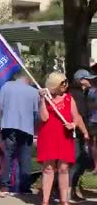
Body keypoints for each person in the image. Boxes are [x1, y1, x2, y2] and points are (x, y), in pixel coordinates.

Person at [37, 72, 88, 205]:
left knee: (64, 168)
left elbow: (76, 117)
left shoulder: (69, 98)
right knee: (48, 168)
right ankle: (45, 200)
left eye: (65, 82)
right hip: (48, 136)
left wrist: (73, 124)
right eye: (62, 83)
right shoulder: (45, 98)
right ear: (54, 85)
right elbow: (44, 118)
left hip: (64, 135)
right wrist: (42, 100)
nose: (65, 85)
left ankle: (63, 200)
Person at [0, 72, 40, 194]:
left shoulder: (5, 86)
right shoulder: (34, 92)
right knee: (25, 158)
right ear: (28, 80)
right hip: (26, 128)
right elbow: (36, 113)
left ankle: (4, 186)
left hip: (8, 125)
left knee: (7, 156)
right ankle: (25, 187)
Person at [67, 69, 93, 202]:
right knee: (77, 162)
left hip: (76, 133)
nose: (90, 81)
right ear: (81, 80)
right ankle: (68, 192)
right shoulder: (77, 95)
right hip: (76, 133)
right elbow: (79, 117)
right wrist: (85, 132)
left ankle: (70, 190)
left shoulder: (80, 93)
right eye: (88, 79)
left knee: (80, 161)